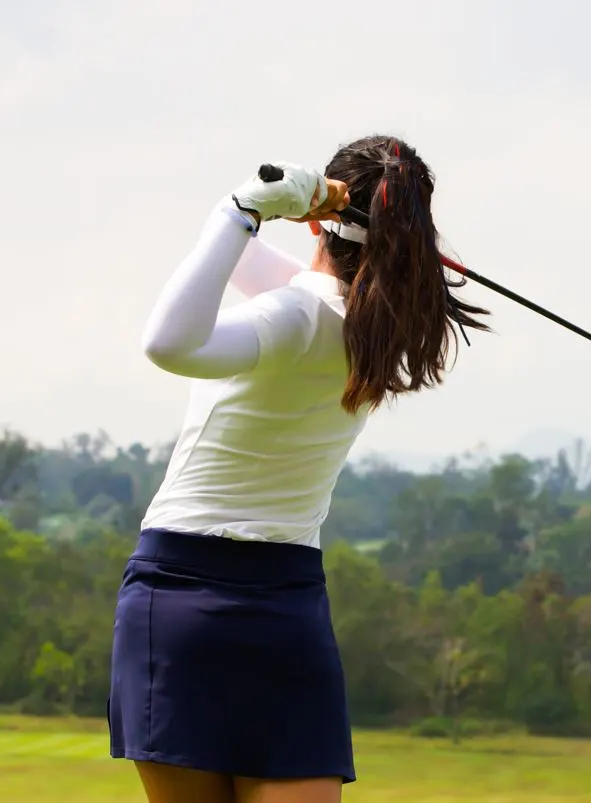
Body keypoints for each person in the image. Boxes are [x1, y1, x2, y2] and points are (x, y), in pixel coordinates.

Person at [107, 134, 490, 803]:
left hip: (178, 595)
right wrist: (265, 216)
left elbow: (169, 340)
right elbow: (289, 282)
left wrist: (242, 207)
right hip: (287, 604)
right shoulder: (384, 325)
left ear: (320, 218)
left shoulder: (294, 316)